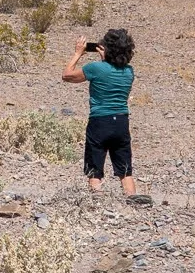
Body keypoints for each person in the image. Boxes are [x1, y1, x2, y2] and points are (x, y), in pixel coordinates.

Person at [61, 28, 147, 202]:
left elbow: (67, 75)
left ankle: (97, 201)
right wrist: (106, 59)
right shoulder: (129, 72)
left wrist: (78, 53)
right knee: (125, 169)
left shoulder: (95, 68)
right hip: (121, 122)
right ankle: (132, 198)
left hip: (100, 121)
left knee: (95, 167)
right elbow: (111, 71)